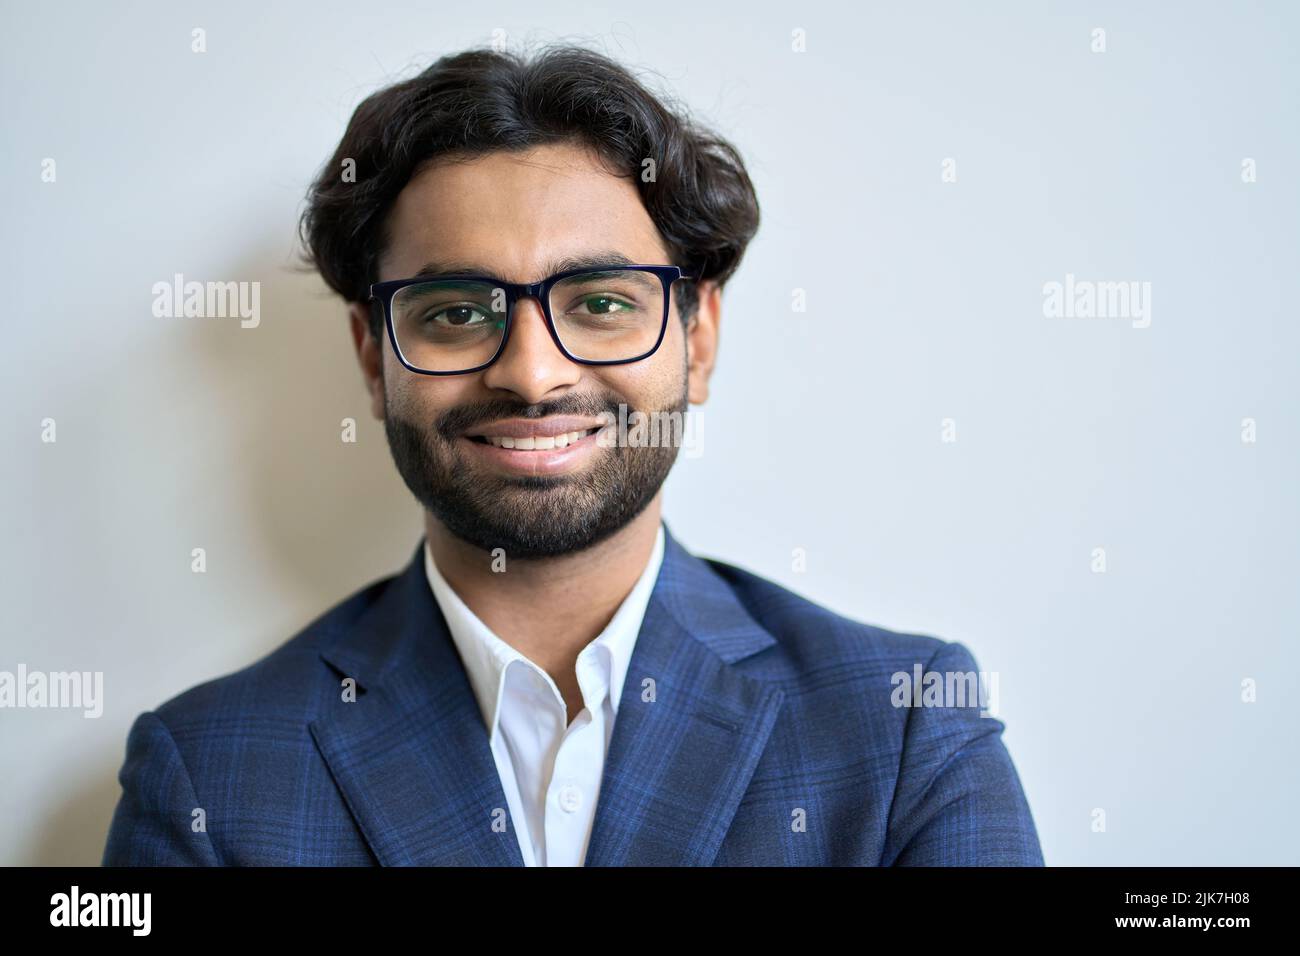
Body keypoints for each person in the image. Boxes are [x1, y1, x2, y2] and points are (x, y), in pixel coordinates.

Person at [103, 44, 1043, 866]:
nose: (533, 375)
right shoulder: (210, 776)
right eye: (457, 312)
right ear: (370, 355)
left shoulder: (909, 729)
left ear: (699, 339)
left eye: (599, 301)